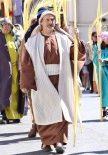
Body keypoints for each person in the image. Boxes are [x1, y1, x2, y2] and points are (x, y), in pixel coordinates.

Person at [20, 10, 86, 153]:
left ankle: (59, 142)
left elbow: (76, 54)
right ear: (41, 22)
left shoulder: (63, 38)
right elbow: (26, 63)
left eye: (53, 20)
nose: (51, 22)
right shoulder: (32, 42)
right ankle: (46, 142)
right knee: (44, 111)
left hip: (61, 78)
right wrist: (26, 83)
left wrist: (76, 37)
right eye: (48, 20)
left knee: (62, 110)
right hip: (41, 80)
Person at [22, 7, 49, 138]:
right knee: (34, 99)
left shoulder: (54, 30)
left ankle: (50, 128)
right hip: (35, 69)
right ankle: (35, 124)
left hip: (51, 70)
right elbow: (25, 52)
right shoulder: (30, 32)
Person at [0, 18, 25, 124]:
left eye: (8, 25)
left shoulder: (16, 37)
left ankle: (15, 115)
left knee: (15, 91)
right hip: (2, 70)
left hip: (16, 69)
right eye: (4, 25)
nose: (6, 27)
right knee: (5, 91)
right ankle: (4, 114)